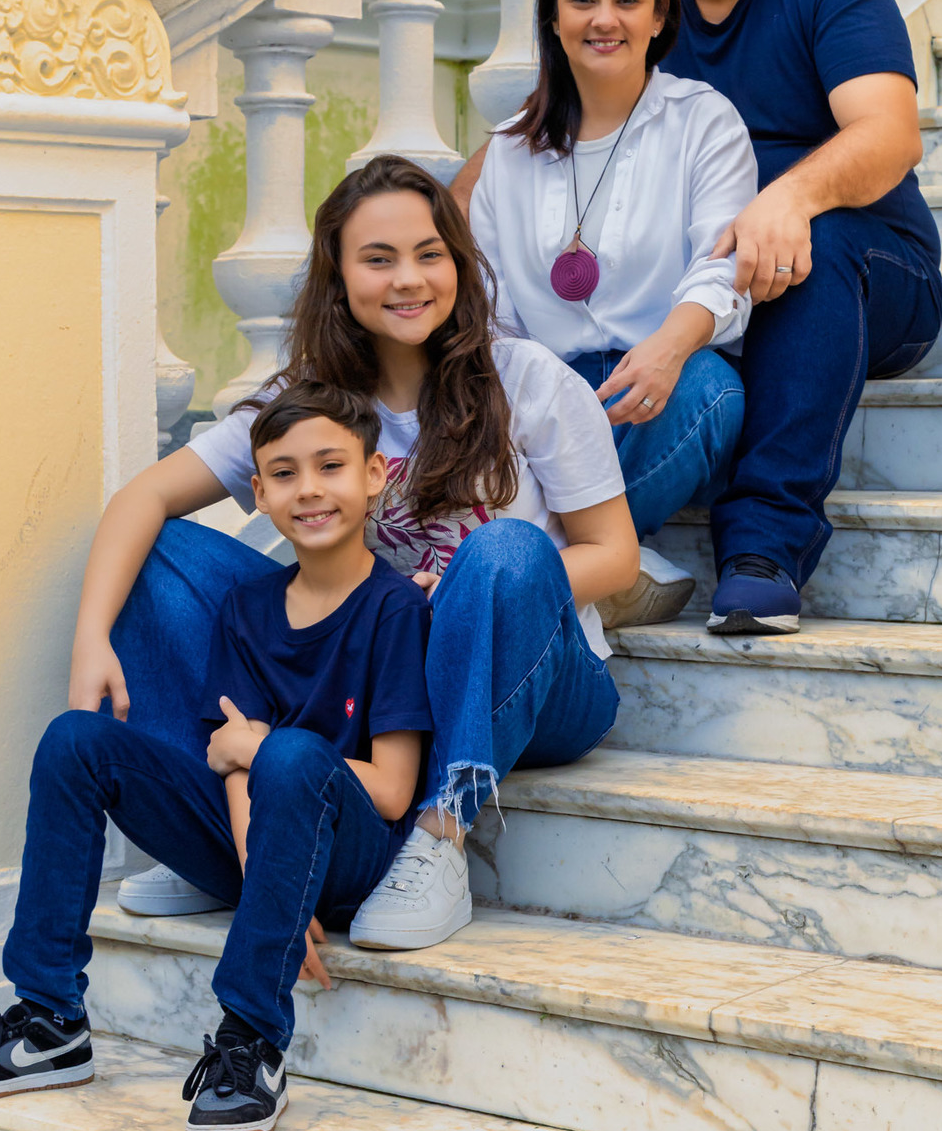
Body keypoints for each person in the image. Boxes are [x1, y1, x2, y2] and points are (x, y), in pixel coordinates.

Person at [83, 153, 635, 953]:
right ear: (338, 279)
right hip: (379, 692)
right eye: (378, 259)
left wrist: (456, 600)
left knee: (503, 552)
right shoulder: (311, 406)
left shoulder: (528, 379)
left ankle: (440, 838)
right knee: (163, 556)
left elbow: (614, 554)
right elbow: (143, 498)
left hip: (537, 679)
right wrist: (91, 641)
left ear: (458, 262)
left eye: (429, 254)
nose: (408, 278)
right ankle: (222, 837)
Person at [454, 0, 942, 637]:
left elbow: (891, 135)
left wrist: (788, 197)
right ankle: (578, 556)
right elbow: (528, 140)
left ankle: (762, 549)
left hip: (867, 271)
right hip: (717, 294)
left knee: (804, 249)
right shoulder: (643, 7)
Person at [0, 382, 435, 1131]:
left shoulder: (395, 608)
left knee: (289, 751)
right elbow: (229, 769)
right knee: (75, 739)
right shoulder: (248, 608)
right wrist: (266, 885)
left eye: (331, 466)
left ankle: (251, 1043)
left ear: (374, 475)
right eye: (283, 473)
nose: (309, 489)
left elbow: (389, 791)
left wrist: (261, 748)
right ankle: (50, 1020)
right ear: (258, 494)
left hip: (350, 863)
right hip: (256, 848)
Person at [469, 0, 756, 626]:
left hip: (655, 386)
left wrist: (667, 349)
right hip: (544, 392)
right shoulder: (508, 149)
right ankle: (608, 574)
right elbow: (489, 308)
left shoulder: (703, 120)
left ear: (659, 15)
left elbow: (721, 270)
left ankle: (556, 563)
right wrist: (531, 407)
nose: (605, 19)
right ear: (553, 17)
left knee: (713, 392)